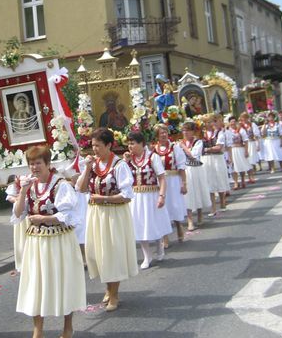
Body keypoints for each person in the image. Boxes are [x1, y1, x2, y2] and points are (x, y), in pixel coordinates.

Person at [13, 146, 86, 338]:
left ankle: (67, 326)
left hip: (59, 241)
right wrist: (22, 192)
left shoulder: (61, 185)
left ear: (47, 164)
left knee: (63, 281)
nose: (34, 167)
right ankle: (38, 329)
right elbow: (18, 213)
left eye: (38, 163)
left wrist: (45, 219)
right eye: (31, 163)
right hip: (36, 242)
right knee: (36, 283)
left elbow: (69, 215)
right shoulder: (29, 185)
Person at [77, 127, 138, 312]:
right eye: (93, 145)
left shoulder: (119, 166)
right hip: (96, 214)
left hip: (114, 215)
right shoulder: (93, 165)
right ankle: (108, 288)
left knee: (112, 254)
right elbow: (80, 188)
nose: (94, 149)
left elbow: (127, 195)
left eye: (98, 146)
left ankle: (114, 294)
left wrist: (104, 198)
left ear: (109, 145)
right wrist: (87, 168)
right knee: (97, 253)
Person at [124, 131, 172, 269]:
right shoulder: (128, 160)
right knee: (139, 225)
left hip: (151, 195)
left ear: (141, 144)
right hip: (136, 197)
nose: (130, 146)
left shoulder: (152, 157)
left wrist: (162, 196)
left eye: (133, 143)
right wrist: (126, 162)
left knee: (153, 223)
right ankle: (147, 255)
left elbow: (162, 178)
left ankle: (159, 245)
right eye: (129, 143)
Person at [152, 123, 187, 245]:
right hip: (160, 181)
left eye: (165, 132)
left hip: (173, 180)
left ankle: (179, 227)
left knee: (175, 205)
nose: (164, 135)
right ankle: (165, 236)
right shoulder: (153, 149)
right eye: (161, 133)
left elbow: (181, 166)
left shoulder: (174, 147)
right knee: (163, 207)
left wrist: (184, 183)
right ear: (157, 135)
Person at [179, 122, 210, 231]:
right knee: (187, 195)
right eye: (183, 130)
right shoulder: (180, 143)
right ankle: (190, 220)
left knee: (198, 191)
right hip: (185, 170)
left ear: (193, 131)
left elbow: (193, 156)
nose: (185, 133)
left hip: (196, 169)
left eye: (188, 130)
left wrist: (183, 147)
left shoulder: (198, 142)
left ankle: (200, 214)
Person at [201, 115, 228, 215]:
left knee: (219, 179)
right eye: (206, 122)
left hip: (217, 158)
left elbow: (219, 147)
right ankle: (213, 207)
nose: (209, 124)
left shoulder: (219, 133)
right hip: (206, 159)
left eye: (211, 122)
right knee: (209, 182)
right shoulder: (201, 134)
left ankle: (222, 201)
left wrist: (207, 149)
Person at [5, 175, 27, 273]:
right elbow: (10, 196)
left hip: (32, 212)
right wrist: (17, 200)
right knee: (22, 239)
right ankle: (24, 263)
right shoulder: (18, 177)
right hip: (20, 212)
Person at [228, 116, 253, 189]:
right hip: (231, 150)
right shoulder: (227, 131)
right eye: (231, 122)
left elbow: (246, 140)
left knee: (241, 166)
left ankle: (242, 180)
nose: (233, 123)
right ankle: (236, 182)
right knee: (233, 167)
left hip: (240, 149)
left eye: (234, 122)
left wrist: (246, 151)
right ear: (229, 123)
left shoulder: (241, 130)